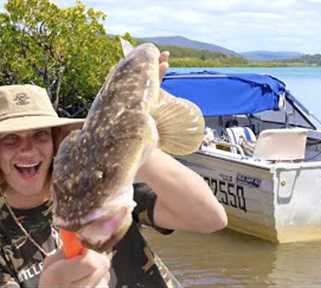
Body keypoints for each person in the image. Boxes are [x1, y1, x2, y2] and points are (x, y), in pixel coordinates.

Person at [0, 52, 228, 288]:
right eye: (10, 139)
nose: (27, 149)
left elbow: (211, 219)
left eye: (40, 135)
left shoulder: (104, 189)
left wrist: (132, 132)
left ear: (56, 141)